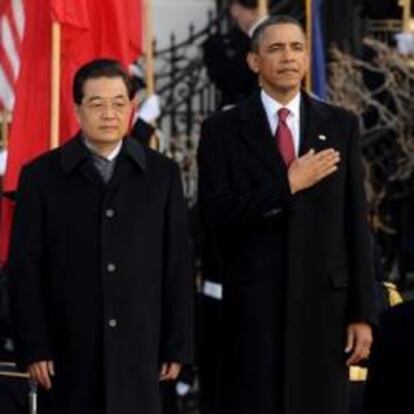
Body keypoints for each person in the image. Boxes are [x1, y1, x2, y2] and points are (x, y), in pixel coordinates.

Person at [197, 15, 377, 414]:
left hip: (324, 312)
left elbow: (355, 223)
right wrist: (286, 186)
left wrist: (363, 313)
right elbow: (214, 214)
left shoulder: (341, 125)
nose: (289, 57)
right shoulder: (222, 130)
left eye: (296, 47)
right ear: (254, 61)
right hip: (252, 311)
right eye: (275, 49)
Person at [8, 58, 193, 414]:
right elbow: (24, 268)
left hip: (142, 350)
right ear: (76, 110)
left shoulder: (161, 174)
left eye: (118, 103)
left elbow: (177, 264)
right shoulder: (41, 176)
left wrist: (177, 344)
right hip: (67, 350)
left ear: (131, 109)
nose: (109, 113)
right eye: (97, 103)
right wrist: (35, 346)